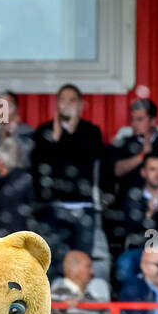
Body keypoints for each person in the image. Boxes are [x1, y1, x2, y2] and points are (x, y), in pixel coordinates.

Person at [29, 83, 104, 255]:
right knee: (52, 261)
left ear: (80, 104)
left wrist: (68, 134)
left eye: (72, 100)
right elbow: (41, 166)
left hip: (83, 206)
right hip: (53, 207)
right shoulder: (43, 131)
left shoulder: (91, 131)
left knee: (81, 261)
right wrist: (55, 138)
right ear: (57, 103)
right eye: (63, 100)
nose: (67, 104)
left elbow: (85, 159)